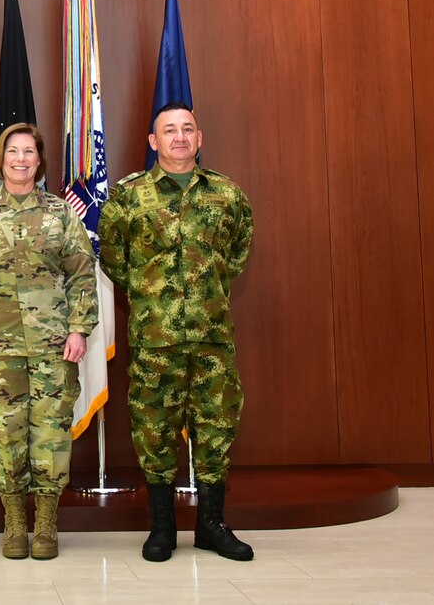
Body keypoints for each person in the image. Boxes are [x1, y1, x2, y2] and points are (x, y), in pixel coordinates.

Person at [98, 102, 254, 562]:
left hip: (211, 336)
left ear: (199, 138)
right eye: (169, 130)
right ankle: (162, 528)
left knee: (217, 427)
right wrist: (154, 299)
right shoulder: (129, 197)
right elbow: (114, 258)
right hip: (154, 339)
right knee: (154, 430)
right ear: (154, 141)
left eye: (187, 129)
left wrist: (206, 291)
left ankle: (211, 525)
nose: (180, 137)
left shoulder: (226, 194)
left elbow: (239, 251)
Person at [0, 123, 99, 560]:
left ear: (39, 159)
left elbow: (81, 273)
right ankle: (15, 523)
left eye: (29, 152)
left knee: (51, 436)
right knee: (7, 434)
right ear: (1, 159)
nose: (20, 159)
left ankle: (47, 524)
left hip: (54, 344)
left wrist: (78, 328)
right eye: (13, 151)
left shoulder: (59, 212)